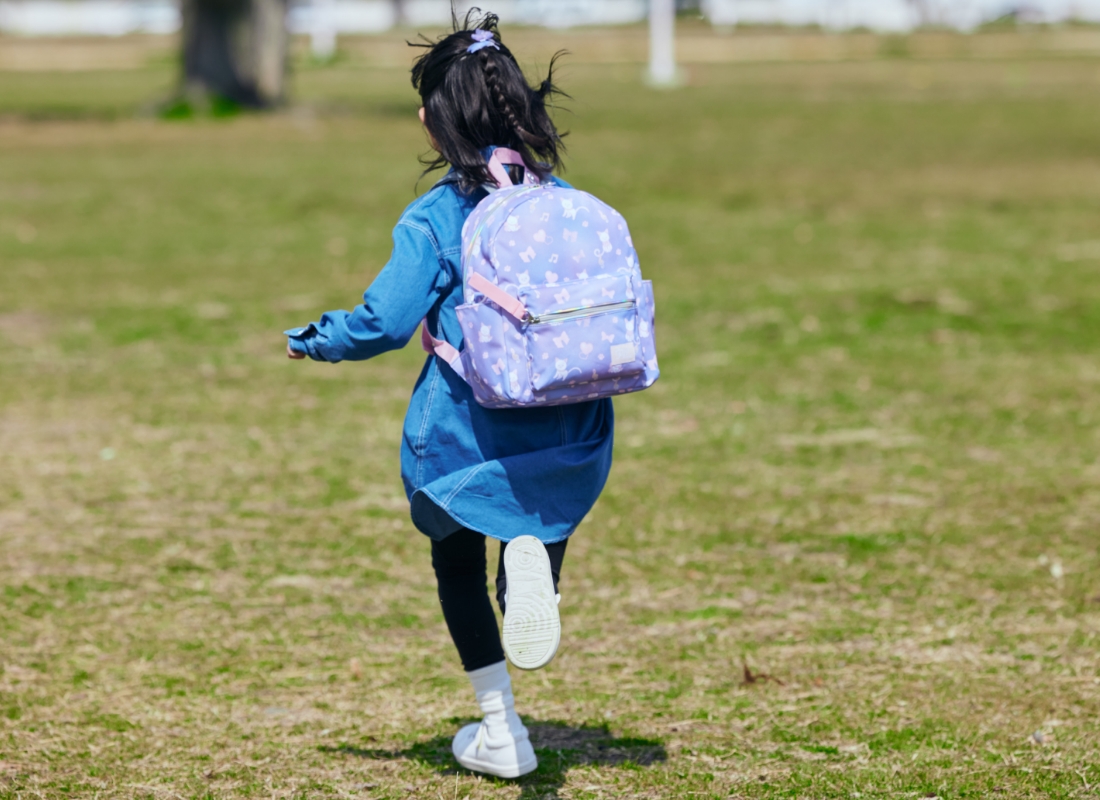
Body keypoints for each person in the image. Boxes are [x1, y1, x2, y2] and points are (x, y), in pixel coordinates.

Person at [284, 10, 613, 779]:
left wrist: (315, 337)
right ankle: (533, 562)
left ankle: (501, 729)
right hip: (570, 429)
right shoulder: (559, 199)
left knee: (456, 565)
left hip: (469, 432)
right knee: (530, 523)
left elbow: (385, 321)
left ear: (439, 124)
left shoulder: (439, 215)